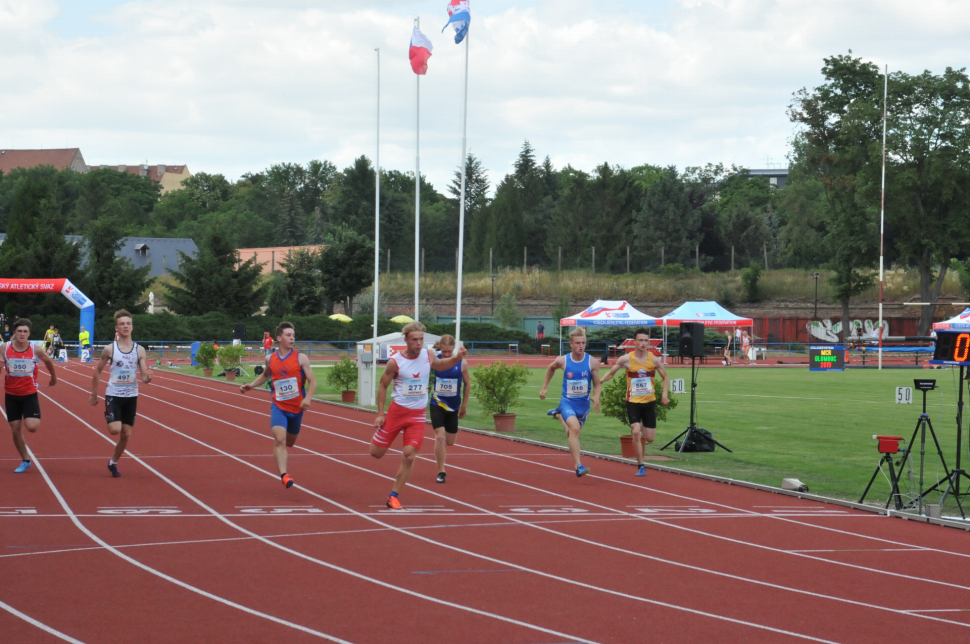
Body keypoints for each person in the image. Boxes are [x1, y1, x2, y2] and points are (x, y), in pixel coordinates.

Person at [371, 321, 466, 509]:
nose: (419, 343)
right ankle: (382, 437)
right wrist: (381, 413)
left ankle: (394, 495)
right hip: (397, 413)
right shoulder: (395, 362)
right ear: (406, 340)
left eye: (421, 339)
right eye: (414, 339)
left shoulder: (428, 355)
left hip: (417, 416)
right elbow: (383, 385)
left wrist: (457, 358)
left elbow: (440, 365)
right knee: (376, 454)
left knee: (409, 455)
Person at [239, 321, 317, 488]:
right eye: (288, 335)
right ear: (279, 338)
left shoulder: (300, 358)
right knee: (280, 439)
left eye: (293, 335)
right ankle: (284, 475)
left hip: (297, 408)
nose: (292, 338)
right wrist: (251, 386)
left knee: (290, 443)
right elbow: (266, 376)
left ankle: (284, 471)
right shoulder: (270, 358)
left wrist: (308, 398)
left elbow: (312, 381)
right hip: (279, 407)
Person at [89, 310, 153, 478]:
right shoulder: (109, 349)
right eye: (122, 324)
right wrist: (94, 394)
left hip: (131, 396)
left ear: (132, 327)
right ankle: (110, 413)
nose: (125, 326)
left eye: (128, 323)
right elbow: (97, 371)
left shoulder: (139, 350)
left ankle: (113, 463)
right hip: (114, 395)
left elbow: (144, 376)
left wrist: (148, 378)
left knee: (126, 434)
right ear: (117, 328)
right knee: (114, 430)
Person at [601, 328, 669, 476]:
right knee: (636, 432)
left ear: (648, 342)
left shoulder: (654, 359)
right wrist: (601, 380)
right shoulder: (626, 359)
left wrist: (664, 395)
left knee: (650, 438)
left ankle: (643, 424)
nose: (643, 343)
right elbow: (611, 373)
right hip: (633, 402)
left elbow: (665, 377)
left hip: (649, 402)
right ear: (635, 342)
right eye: (641, 340)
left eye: (646, 340)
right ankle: (641, 465)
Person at [539, 327, 601, 477]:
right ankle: (578, 466)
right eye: (578, 343)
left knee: (571, 432)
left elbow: (597, 384)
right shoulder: (563, 360)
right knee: (575, 430)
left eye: (584, 343)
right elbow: (551, 368)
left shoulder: (592, 362)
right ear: (571, 344)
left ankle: (560, 417)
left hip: (583, 405)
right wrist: (544, 387)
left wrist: (597, 397)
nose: (581, 346)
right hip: (568, 402)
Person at [0, 319, 57, 473]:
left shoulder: (35, 349)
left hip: (29, 394)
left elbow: (48, 362)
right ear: (14, 333)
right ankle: (25, 459)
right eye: (19, 331)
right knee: (15, 429)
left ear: (29, 333)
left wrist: (53, 378)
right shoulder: (5, 348)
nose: (22, 334)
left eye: (25, 331)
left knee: (32, 427)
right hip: (11, 394)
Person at [430, 335, 470, 484]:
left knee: (450, 442)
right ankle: (441, 471)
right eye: (444, 351)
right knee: (439, 437)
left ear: (453, 349)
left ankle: (441, 450)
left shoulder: (462, 363)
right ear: (440, 348)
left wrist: (464, 405)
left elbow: (467, 384)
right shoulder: (435, 361)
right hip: (437, 403)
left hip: (453, 406)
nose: (446, 354)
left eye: (449, 351)